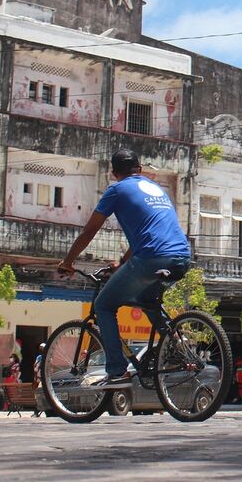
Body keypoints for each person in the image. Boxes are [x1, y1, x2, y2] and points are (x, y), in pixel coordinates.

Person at [58, 148, 192, 387]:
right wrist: (121, 263)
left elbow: (90, 230)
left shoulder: (116, 189)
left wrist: (68, 262)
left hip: (151, 258)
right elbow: (148, 235)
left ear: (113, 173)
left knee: (104, 305)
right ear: (139, 169)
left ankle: (117, 371)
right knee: (149, 301)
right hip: (181, 257)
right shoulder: (158, 189)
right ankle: (178, 351)